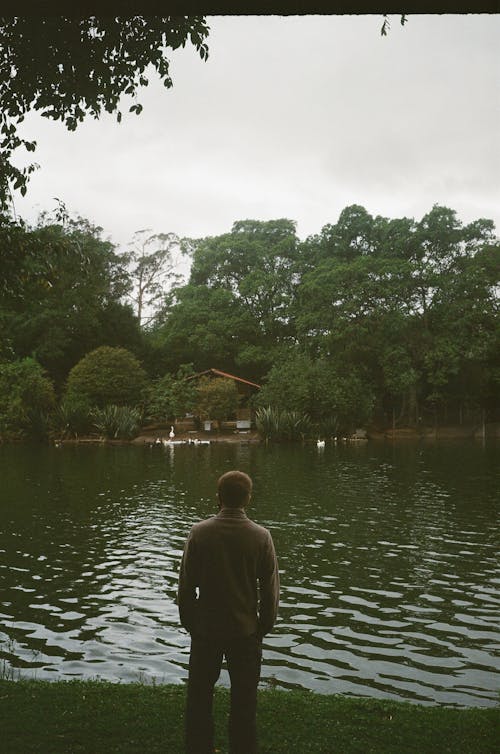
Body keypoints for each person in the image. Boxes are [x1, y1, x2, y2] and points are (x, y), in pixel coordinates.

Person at [178, 470, 279, 754]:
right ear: (248, 498)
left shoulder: (200, 533)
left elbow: (186, 586)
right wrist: (263, 627)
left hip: (206, 630)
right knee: (244, 703)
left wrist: (191, 624)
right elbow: (270, 592)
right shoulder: (261, 537)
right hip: (245, 631)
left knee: (199, 699)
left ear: (218, 497)